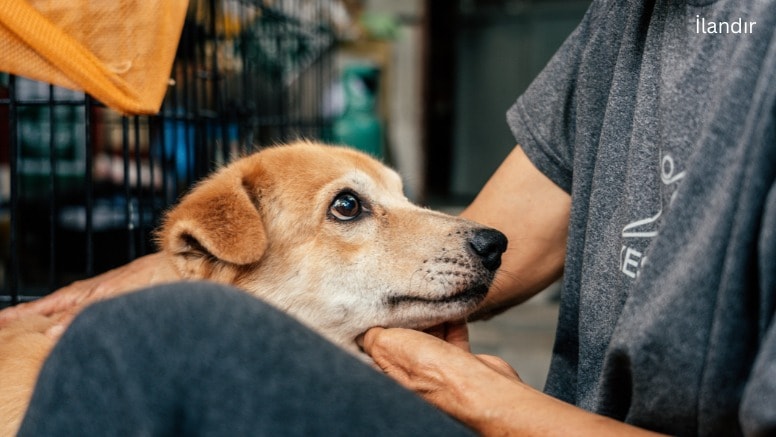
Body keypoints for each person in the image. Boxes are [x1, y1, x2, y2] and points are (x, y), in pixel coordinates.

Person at [2, 0, 775, 434]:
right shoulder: (629, 21)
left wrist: (489, 401)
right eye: (353, 207)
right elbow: (492, 239)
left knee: (157, 340)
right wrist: (178, 267)